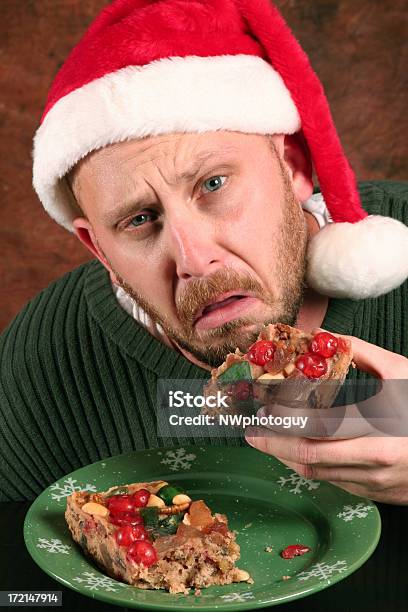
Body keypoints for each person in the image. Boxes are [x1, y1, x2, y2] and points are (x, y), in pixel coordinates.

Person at [1, 0, 407, 506]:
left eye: (213, 184)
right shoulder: (44, 357)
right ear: (98, 248)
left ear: (294, 167)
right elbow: (19, 585)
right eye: (140, 220)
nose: (193, 259)